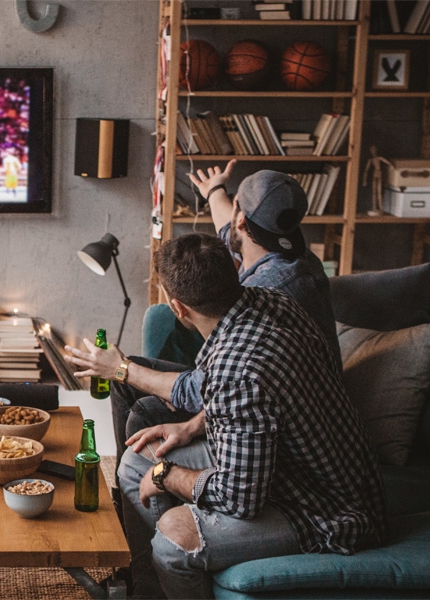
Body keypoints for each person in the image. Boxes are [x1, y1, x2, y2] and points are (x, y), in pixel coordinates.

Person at [114, 233, 384, 598]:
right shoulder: (272, 302)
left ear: (178, 309)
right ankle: (149, 590)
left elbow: (239, 497)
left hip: (325, 508)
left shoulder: (236, 370)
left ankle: (177, 569)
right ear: (234, 271)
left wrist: (165, 475)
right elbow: (256, 396)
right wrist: (193, 424)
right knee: (134, 464)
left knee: (173, 538)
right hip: (279, 464)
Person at [67, 161, 341, 464]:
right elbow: (229, 226)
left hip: (273, 410)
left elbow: (206, 388)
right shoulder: (287, 250)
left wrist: (120, 369)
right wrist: (214, 190)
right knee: (128, 381)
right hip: (255, 384)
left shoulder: (270, 294)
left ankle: (131, 480)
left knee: (138, 399)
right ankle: (122, 484)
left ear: (242, 221)